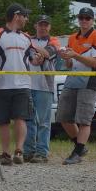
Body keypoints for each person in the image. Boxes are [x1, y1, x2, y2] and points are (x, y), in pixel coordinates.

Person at [0, 4, 35, 165]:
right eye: (24, 16)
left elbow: (32, 58)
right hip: (2, 84)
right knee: (3, 121)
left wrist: (38, 59)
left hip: (23, 84)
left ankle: (19, 152)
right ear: (16, 16)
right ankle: (5, 154)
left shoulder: (26, 38)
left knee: (21, 117)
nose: (26, 19)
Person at [56, 7, 96, 165]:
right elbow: (70, 64)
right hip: (73, 78)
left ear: (92, 20)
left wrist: (75, 55)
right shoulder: (72, 38)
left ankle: (77, 152)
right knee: (63, 116)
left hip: (89, 80)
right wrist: (66, 58)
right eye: (81, 17)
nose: (84, 20)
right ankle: (80, 147)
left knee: (84, 119)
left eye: (87, 18)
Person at [24, 15, 60, 163]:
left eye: (46, 25)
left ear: (50, 27)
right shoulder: (26, 40)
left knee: (44, 122)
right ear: (35, 25)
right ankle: (28, 151)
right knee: (29, 120)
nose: (43, 27)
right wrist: (34, 53)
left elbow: (47, 53)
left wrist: (32, 47)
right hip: (27, 84)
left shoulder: (54, 41)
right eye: (41, 24)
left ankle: (42, 152)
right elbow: (30, 57)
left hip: (45, 86)